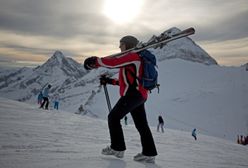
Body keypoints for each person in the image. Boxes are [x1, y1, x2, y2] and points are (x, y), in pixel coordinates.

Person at [84, 35, 157, 163]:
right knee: (142, 125)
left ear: (128, 45)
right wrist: (110, 81)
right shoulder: (133, 59)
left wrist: (96, 61)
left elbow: (113, 63)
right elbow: (127, 81)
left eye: (121, 44)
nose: (119, 47)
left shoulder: (133, 56)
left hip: (133, 94)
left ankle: (117, 148)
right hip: (139, 95)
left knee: (113, 117)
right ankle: (149, 153)